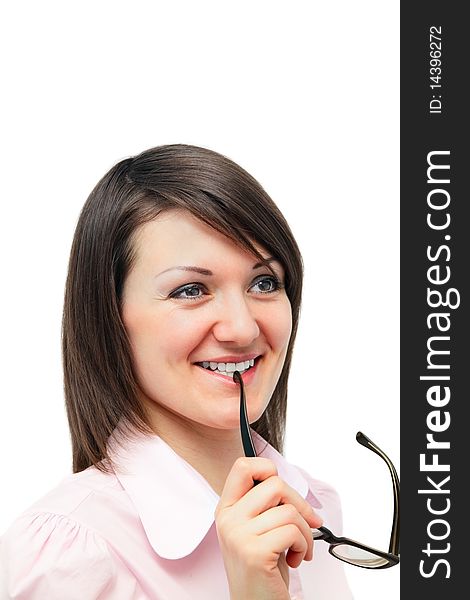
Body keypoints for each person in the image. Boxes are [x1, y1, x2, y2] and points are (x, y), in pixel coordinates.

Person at [0, 145, 353, 599]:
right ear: (110, 317)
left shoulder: (315, 508)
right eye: (191, 290)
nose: (242, 327)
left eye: (264, 282)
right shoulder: (69, 556)